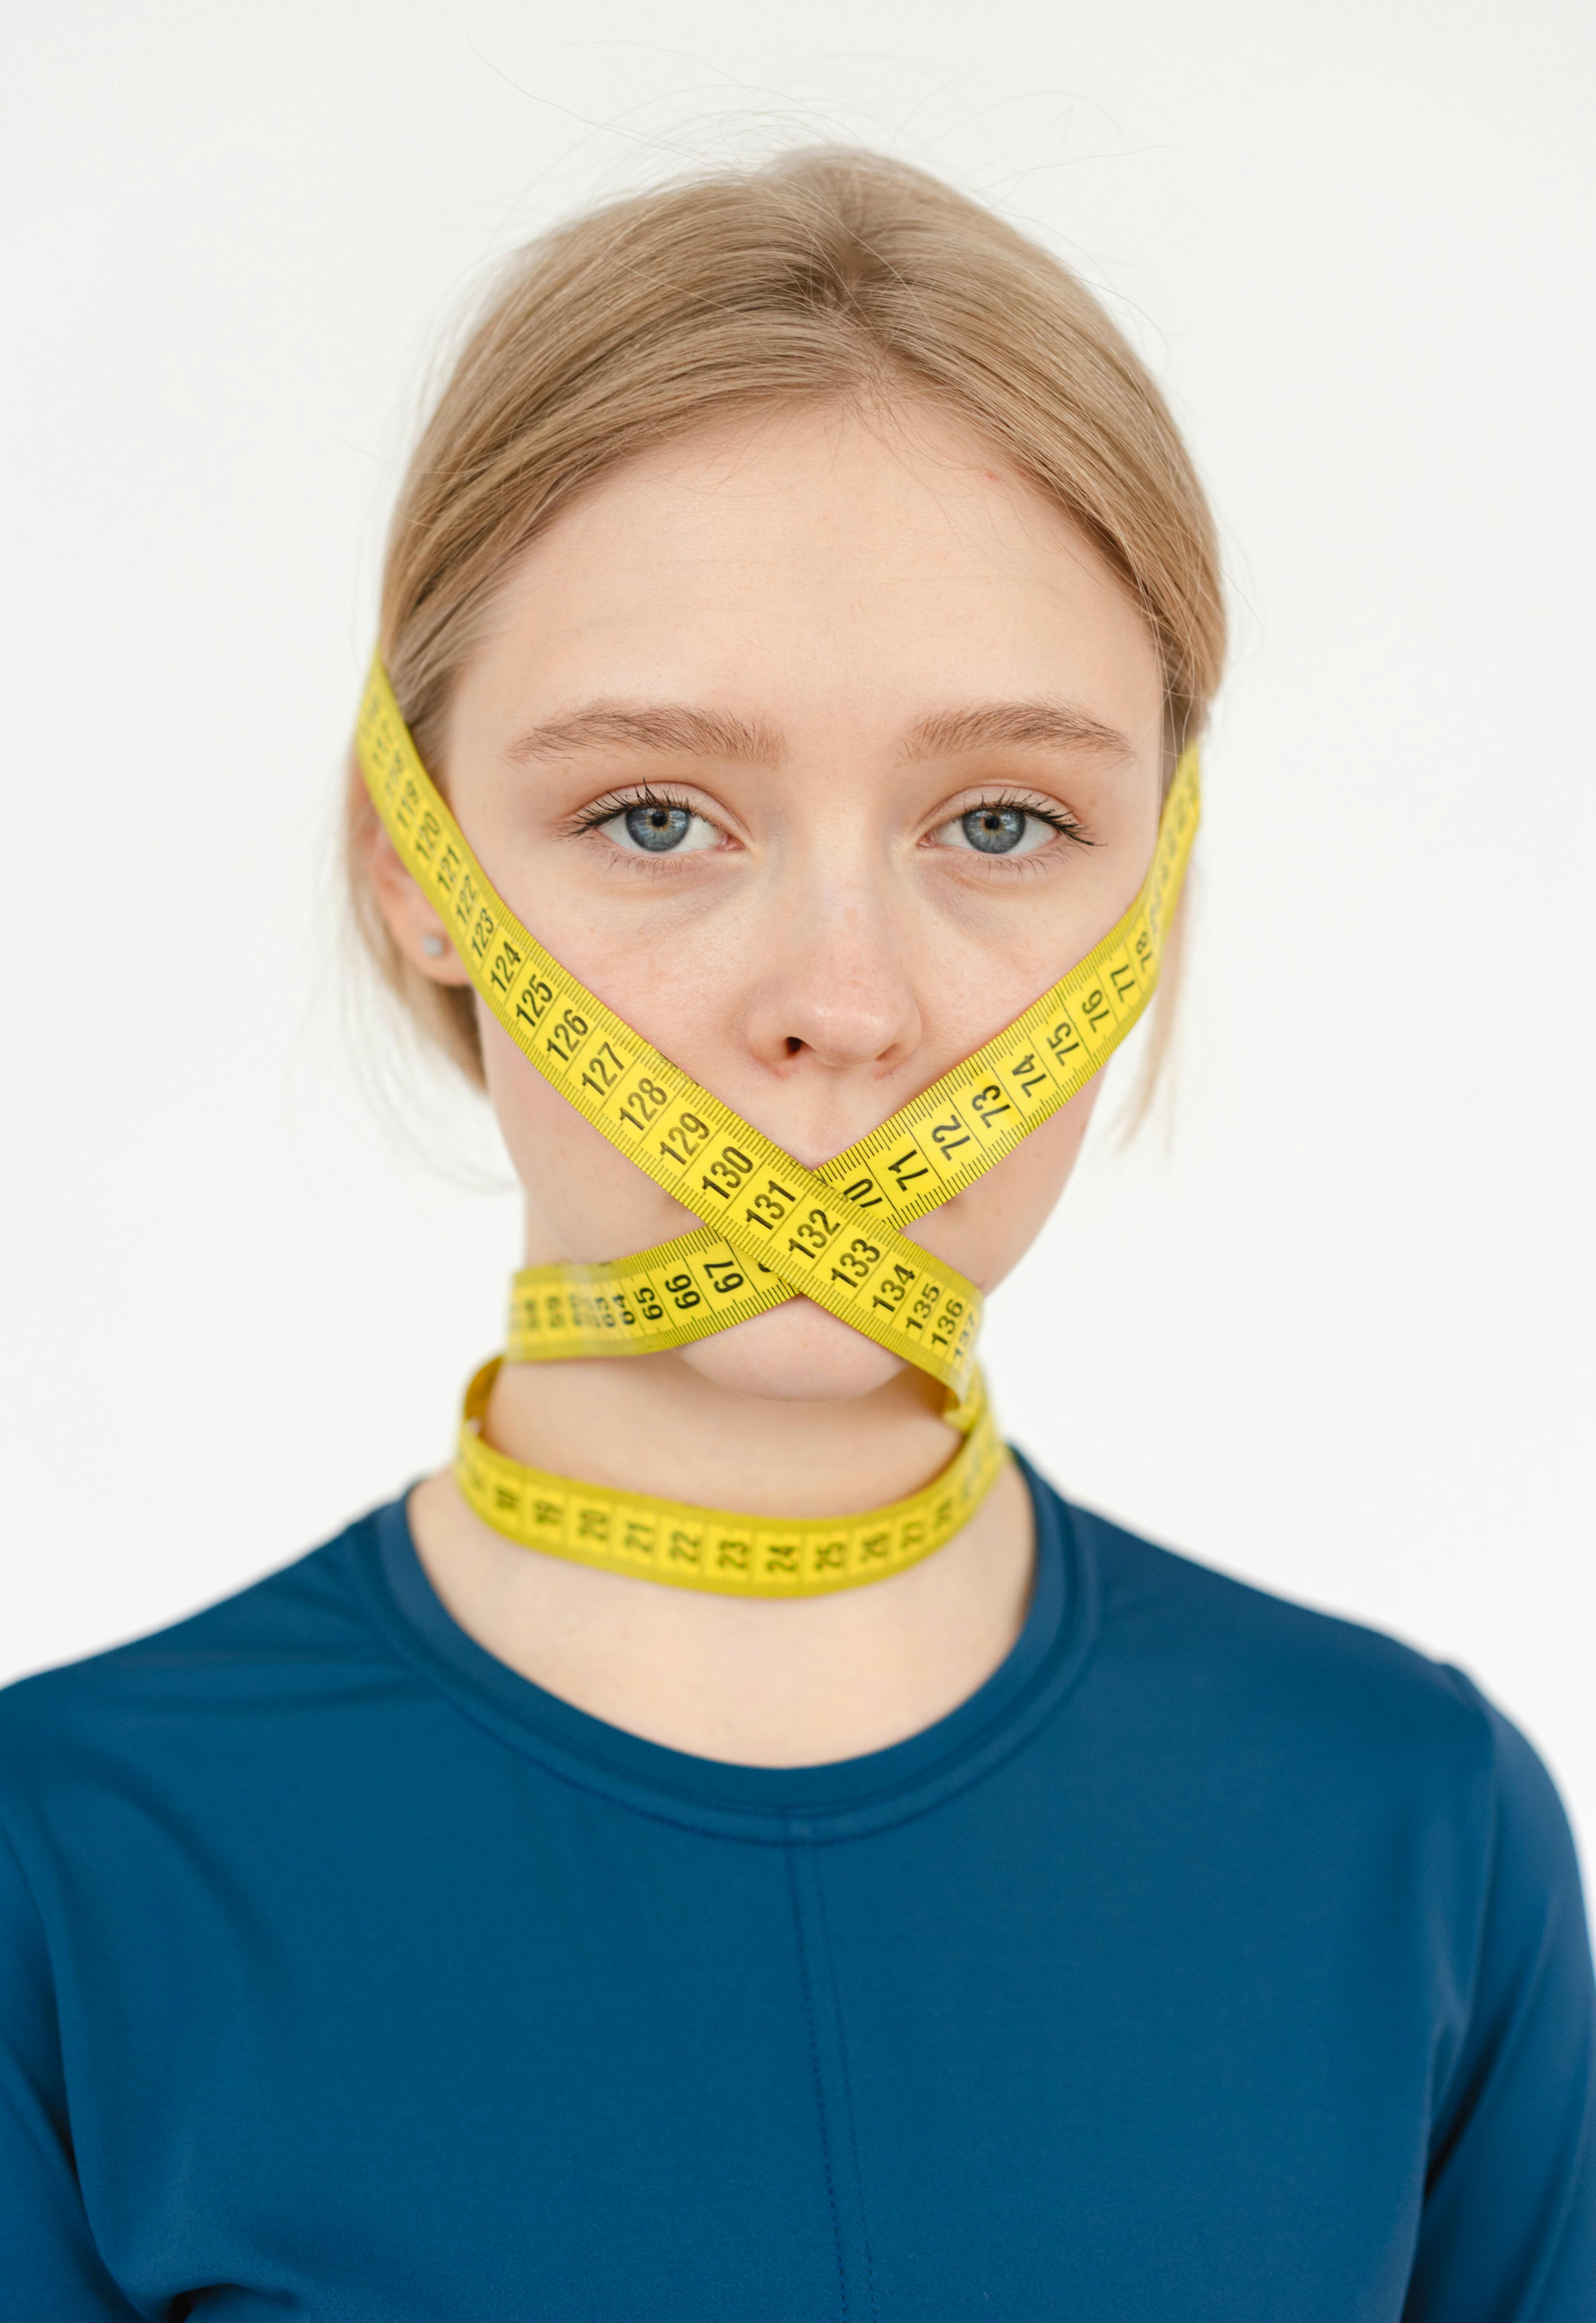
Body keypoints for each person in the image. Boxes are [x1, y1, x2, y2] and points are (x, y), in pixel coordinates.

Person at [1, 149, 1591, 2321]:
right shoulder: (60, 1884)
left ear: (1163, 880)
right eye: (654, 815)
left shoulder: (1421, 1844)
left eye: (1005, 821)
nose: (842, 1003)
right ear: (414, 862)